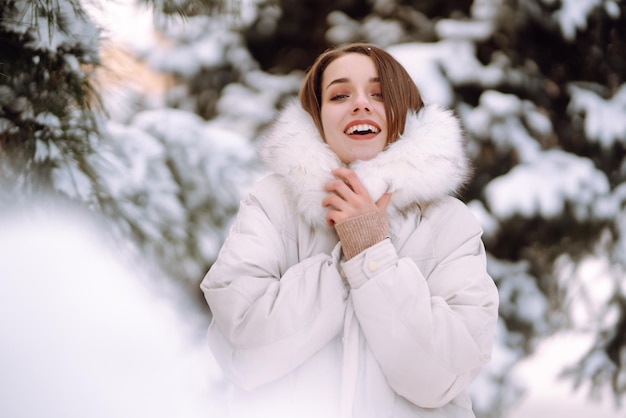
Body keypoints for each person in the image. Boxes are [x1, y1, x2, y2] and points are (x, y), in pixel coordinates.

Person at [200, 43, 499, 418]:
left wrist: (370, 250)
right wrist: (351, 257)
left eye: (379, 94)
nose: (361, 104)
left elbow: (441, 376)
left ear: (406, 113)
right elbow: (243, 351)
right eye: (340, 94)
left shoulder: (451, 224)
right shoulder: (272, 203)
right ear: (317, 117)